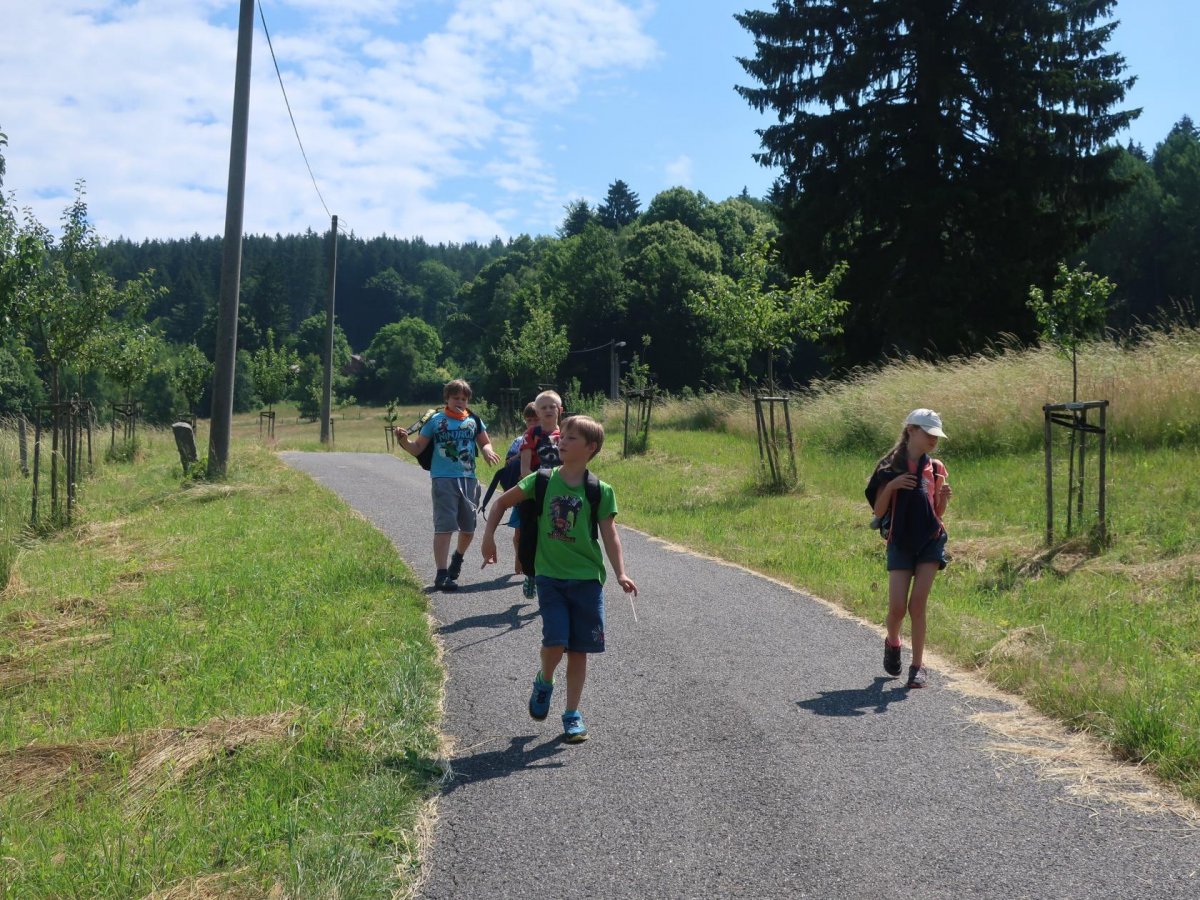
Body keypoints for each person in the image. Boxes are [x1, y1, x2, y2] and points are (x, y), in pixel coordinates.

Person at [480, 415, 638, 743]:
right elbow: (500, 503)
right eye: (561, 436)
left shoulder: (600, 491)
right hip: (550, 577)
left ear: (591, 448)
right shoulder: (541, 480)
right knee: (555, 641)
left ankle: (572, 714)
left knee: (579, 650)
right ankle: (545, 680)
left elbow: (610, 535)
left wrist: (621, 573)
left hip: (587, 580)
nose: (561, 442)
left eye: (571, 438)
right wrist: (488, 537)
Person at [866, 408, 952, 688]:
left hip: (930, 541)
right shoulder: (889, 467)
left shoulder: (936, 468)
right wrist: (893, 485)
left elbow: (937, 513)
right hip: (900, 541)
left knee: (917, 604)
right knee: (897, 608)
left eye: (936, 435)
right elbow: (878, 512)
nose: (933, 440)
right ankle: (893, 642)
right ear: (911, 431)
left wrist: (944, 499)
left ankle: (918, 666)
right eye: (928, 434)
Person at [396, 379, 500, 590]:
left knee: (468, 528)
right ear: (447, 399)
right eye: (455, 398)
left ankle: (458, 558)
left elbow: (484, 442)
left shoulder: (474, 420)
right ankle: (441, 574)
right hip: (443, 479)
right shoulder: (435, 420)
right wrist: (404, 441)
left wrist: (488, 451)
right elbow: (417, 448)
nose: (460, 402)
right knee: (444, 527)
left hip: (469, 479)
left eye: (464, 399)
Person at [517, 390, 564, 598]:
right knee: (531, 535)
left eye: (552, 406)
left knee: (560, 535)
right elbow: (525, 469)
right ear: (537, 411)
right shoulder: (531, 435)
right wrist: (542, 487)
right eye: (543, 407)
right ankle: (530, 573)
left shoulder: (567, 434)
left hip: (561, 493)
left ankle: (558, 578)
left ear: (560, 410)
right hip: (535, 492)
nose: (548, 410)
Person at [506, 403, 540, 575]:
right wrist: (520, 455)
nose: (532, 423)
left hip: (541, 493)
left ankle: (533, 567)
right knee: (519, 531)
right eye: (529, 420)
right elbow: (509, 464)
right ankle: (519, 558)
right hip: (522, 493)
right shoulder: (519, 441)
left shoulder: (550, 440)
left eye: (536, 420)